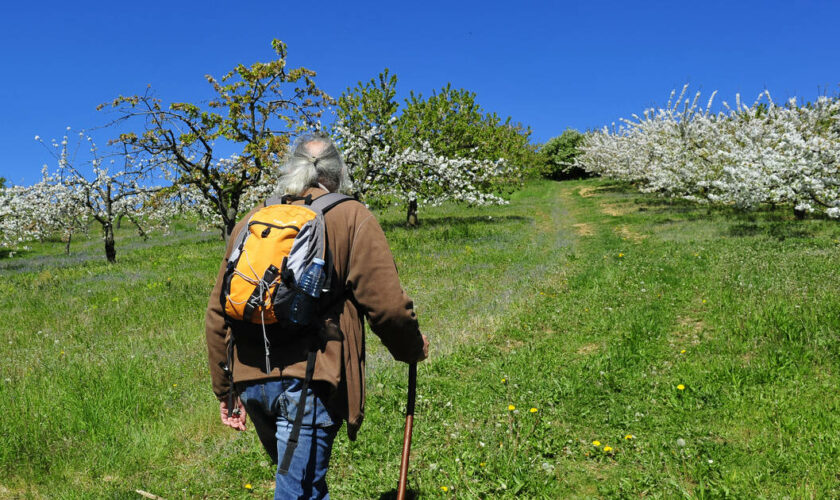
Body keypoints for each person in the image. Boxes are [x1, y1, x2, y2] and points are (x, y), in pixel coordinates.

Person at [205, 132, 429, 499]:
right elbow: (387, 306)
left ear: (291, 170)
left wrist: (226, 389)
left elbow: (218, 311)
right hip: (309, 378)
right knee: (299, 492)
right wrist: (410, 348)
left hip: (251, 380)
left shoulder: (253, 219)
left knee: (303, 484)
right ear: (337, 173)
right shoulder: (351, 215)